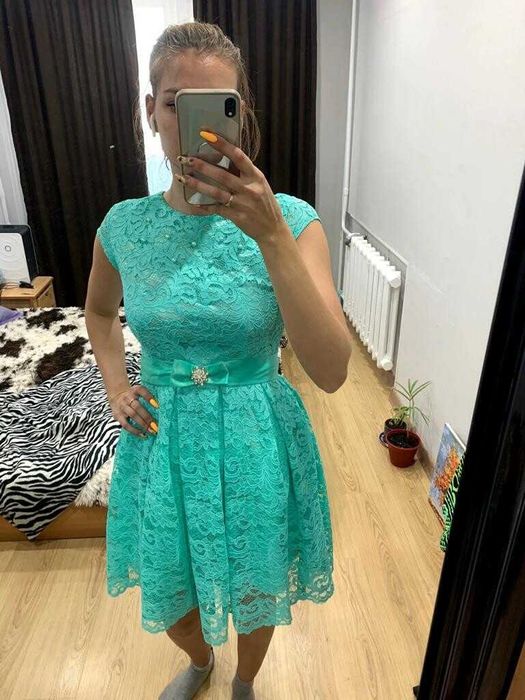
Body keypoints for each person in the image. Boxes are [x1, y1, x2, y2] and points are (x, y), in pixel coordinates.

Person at [85, 20, 351, 700]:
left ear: (240, 114)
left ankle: (244, 679)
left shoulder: (293, 221)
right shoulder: (123, 226)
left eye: (217, 105)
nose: (194, 125)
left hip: (257, 432)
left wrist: (272, 237)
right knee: (170, 586)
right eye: (176, 103)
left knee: (256, 586)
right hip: (161, 438)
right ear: (151, 110)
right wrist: (114, 386)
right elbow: (98, 313)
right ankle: (200, 661)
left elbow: (330, 370)